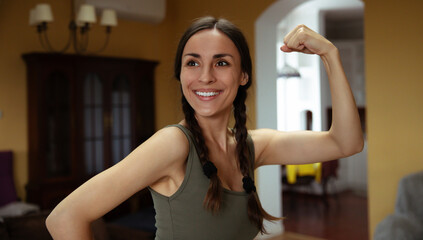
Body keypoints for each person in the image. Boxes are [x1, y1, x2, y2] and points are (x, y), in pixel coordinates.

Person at [46, 16, 363, 240]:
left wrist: (330, 55)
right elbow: (64, 218)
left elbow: (346, 143)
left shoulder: (251, 146)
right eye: (193, 62)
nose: (206, 76)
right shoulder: (172, 144)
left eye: (222, 62)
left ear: (243, 76)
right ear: (181, 74)